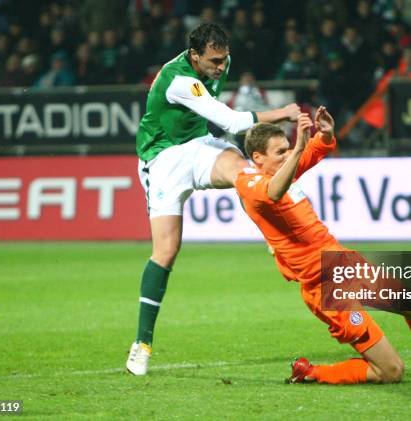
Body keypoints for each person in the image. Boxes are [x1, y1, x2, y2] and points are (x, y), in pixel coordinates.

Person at [233, 108, 411, 384]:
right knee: (392, 371)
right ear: (257, 158)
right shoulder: (248, 184)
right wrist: (299, 147)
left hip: (345, 266)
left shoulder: (283, 173)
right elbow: (273, 191)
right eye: (280, 152)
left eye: (288, 149)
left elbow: (312, 153)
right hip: (324, 287)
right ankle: (311, 373)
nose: (288, 155)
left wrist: (325, 134)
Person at [125, 23, 300, 375]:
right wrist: (283, 112)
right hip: (162, 159)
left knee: (244, 173)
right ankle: (142, 344)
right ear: (195, 55)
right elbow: (232, 120)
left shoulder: (222, 61)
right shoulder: (178, 80)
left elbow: (220, 123)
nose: (221, 67)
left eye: (224, 59)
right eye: (214, 61)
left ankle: (274, 239)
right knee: (166, 251)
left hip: (199, 146)